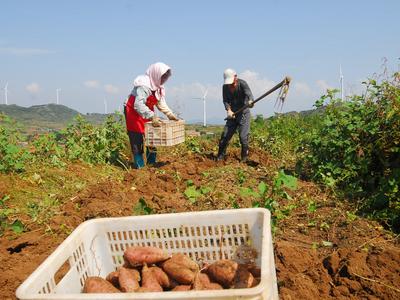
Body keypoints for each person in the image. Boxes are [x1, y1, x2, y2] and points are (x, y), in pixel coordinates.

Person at [124, 62, 179, 168]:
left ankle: (151, 165)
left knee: (152, 137)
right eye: (162, 77)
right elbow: (138, 104)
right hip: (133, 112)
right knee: (137, 139)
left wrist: (170, 114)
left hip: (147, 111)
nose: (163, 80)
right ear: (156, 74)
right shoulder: (144, 85)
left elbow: (160, 102)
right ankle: (139, 166)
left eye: (165, 78)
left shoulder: (158, 87)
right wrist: (152, 116)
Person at [216, 68, 254, 162]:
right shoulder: (225, 87)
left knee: (243, 137)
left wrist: (250, 102)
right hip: (232, 114)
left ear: (235, 77)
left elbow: (250, 95)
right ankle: (220, 156)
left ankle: (244, 158)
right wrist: (228, 110)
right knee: (225, 136)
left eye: (231, 82)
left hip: (243, 113)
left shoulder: (242, 84)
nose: (230, 85)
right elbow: (225, 100)